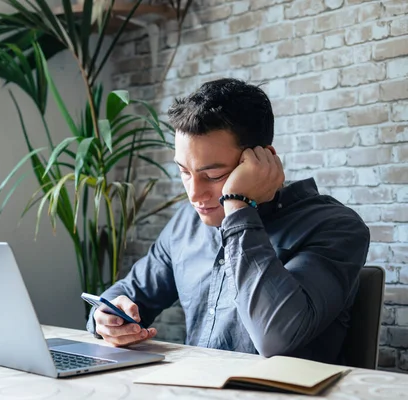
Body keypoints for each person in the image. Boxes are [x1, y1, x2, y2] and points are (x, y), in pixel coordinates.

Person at [86, 78, 370, 364]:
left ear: (261, 160)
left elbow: (276, 337)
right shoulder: (187, 223)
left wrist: (237, 206)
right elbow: (128, 293)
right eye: (184, 171)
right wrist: (106, 317)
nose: (194, 193)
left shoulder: (336, 227)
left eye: (213, 175)